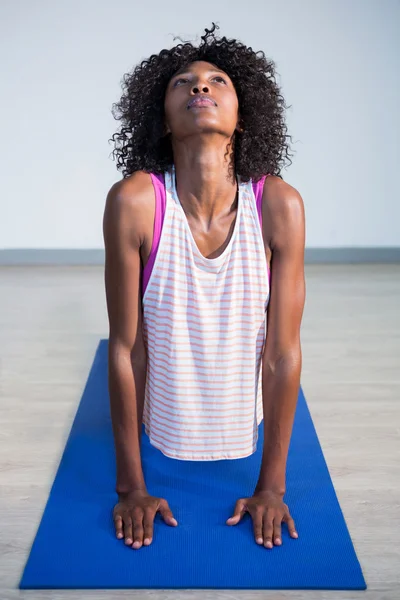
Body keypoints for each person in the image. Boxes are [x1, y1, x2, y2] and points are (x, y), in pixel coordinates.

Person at [103, 22, 306, 552]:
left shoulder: (278, 205)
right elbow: (126, 350)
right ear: (163, 122)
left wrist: (272, 487)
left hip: (244, 430)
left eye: (217, 80)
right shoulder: (136, 202)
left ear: (242, 118)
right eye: (183, 83)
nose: (200, 87)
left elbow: (283, 354)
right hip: (161, 431)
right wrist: (131, 488)